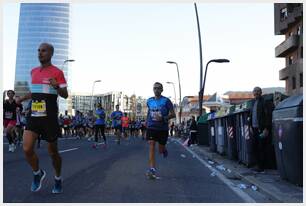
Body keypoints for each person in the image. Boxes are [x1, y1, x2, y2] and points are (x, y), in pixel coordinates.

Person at [17, 43, 68, 193]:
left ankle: (58, 178)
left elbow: (65, 94)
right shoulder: (33, 71)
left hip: (49, 117)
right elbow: (35, 93)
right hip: (34, 115)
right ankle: (37, 173)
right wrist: (22, 98)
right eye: (38, 50)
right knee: (26, 148)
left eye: (43, 51)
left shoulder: (57, 72)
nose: (40, 53)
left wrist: (57, 86)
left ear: (51, 53)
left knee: (53, 153)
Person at [145, 82, 175, 179]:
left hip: (162, 128)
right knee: (151, 145)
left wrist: (163, 118)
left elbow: (173, 114)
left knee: (160, 150)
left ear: (162, 90)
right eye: (155, 88)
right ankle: (152, 169)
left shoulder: (166, 101)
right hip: (151, 127)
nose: (156, 90)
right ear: (153, 89)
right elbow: (149, 111)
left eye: (158, 88)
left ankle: (163, 149)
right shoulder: (149, 101)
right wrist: (146, 121)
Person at [250, 86, 273, 173]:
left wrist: (266, 128)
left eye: (257, 91)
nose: (255, 93)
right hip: (254, 129)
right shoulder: (253, 103)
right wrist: (250, 126)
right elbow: (251, 115)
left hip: (261, 129)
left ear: (260, 93)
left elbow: (268, 116)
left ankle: (261, 167)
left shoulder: (264, 102)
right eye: (254, 91)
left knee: (261, 148)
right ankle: (257, 165)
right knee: (254, 147)